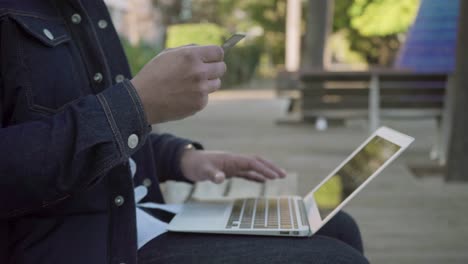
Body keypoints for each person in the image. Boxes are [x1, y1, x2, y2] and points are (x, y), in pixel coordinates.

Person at [0, 1, 368, 263]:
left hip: (133, 213)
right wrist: (137, 104)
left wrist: (181, 157)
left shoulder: (91, 10)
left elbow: (95, 132)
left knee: (338, 227)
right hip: (79, 242)